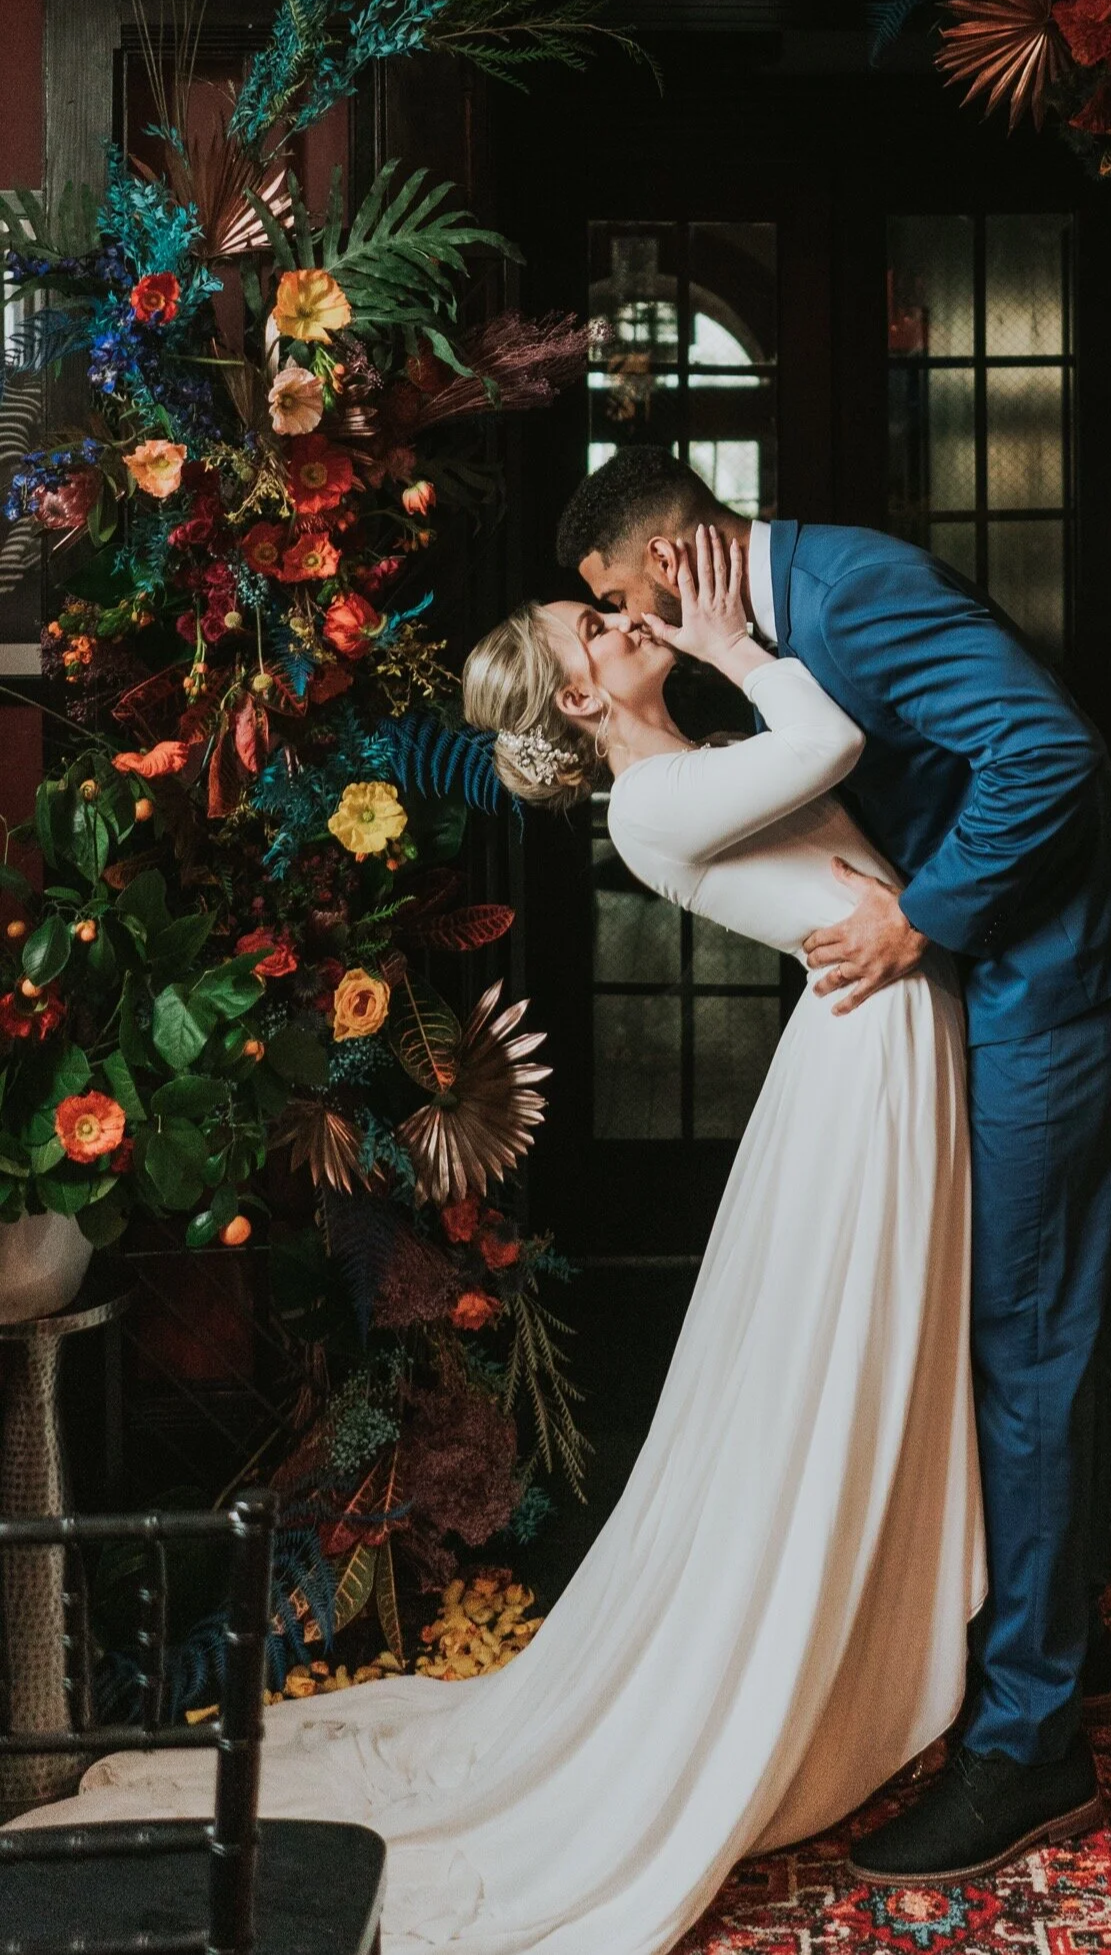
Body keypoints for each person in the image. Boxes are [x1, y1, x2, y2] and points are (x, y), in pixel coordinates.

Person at [18, 531, 995, 1955]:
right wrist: (728, 639)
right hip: (869, 1066)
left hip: (875, 1050)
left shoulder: (680, 772)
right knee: (854, 1357)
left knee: (874, 1353)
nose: (617, 625)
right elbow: (831, 736)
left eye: (601, 614)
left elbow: (821, 758)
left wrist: (730, 657)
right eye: (592, 632)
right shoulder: (657, 803)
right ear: (583, 706)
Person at [556, 448, 1111, 1885]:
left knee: (1022, 1331)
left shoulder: (853, 591)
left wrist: (927, 922)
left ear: (663, 564)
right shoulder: (785, 620)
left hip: (1060, 966)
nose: (621, 629)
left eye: (610, 600)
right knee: (996, 1316)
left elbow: (1045, 753)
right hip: (1005, 965)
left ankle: (1027, 1745)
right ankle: (1055, 1638)